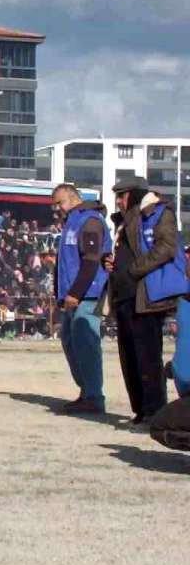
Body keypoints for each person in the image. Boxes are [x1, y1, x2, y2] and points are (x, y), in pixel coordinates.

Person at [103, 177, 186, 430]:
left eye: (122, 194)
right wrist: (111, 263)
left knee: (148, 358)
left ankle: (155, 414)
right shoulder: (122, 222)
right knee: (129, 360)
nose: (118, 200)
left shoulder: (160, 213)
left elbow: (168, 247)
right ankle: (140, 411)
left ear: (135, 194)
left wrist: (133, 270)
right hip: (124, 297)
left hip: (147, 297)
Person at [51, 183, 112, 413]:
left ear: (74, 198)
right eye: (54, 205)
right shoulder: (71, 222)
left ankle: (94, 396)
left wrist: (75, 292)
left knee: (86, 342)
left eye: (60, 202)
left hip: (88, 293)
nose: (57, 208)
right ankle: (86, 391)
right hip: (72, 296)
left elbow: (91, 261)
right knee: (70, 340)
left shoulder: (90, 221)